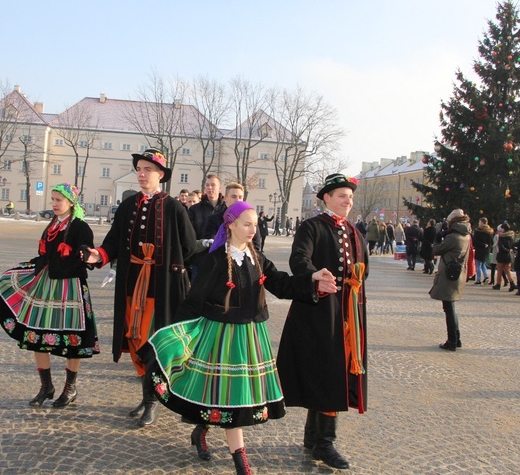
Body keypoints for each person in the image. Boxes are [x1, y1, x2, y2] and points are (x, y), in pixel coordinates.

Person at [138, 201, 337, 474]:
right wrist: (177, 336)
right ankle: (240, 460)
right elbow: (193, 301)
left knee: (225, 394)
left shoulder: (257, 256)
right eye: (247, 223)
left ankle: (201, 431)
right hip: (219, 336)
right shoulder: (215, 259)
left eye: (255, 224)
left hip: (250, 336)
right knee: (228, 397)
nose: (252, 229)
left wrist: (312, 279)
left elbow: (280, 283)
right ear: (230, 224)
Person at [82, 148, 197, 427]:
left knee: (151, 342)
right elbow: (111, 243)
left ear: (160, 175)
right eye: (139, 169)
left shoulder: (174, 207)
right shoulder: (127, 205)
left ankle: (150, 402)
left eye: (148, 169)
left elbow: (190, 247)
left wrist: (173, 267)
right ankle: (149, 395)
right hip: (132, 283)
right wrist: (98, 255)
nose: (142, 174)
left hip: (162, 287)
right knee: (134, 340)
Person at [276, 173, 368, 470]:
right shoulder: (312, 226)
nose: (347, 200)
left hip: (347, 316)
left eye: (350, 197)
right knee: (326, 373)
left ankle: (315, 436)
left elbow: (363, 267)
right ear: (326, 198)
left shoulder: (354, 230)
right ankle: (325, 441)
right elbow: (300, 260)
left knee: (333, 371)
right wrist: (315, 276)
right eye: (342, 195)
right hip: (318, 314)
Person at [0, 183, 99, 407]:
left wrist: (85, 253)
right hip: (46, 285)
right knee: (37, 335)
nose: (54, 204)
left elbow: (87, 251)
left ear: (71, 202)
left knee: (74, 339)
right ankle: (46, 387)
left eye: (58, 200)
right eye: (52, 199)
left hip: (70, 287)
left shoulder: (80, 226)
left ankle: (70, 389)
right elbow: (44, 253)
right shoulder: (52, 225)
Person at [429, 209, 471, 351]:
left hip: (449, 275)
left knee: (449, 308)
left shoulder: (453, 237)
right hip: (457, 273)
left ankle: (452, 340)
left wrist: (438, 236)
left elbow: (436, 250)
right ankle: (456, 338)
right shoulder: (466, 235)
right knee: (450, 307)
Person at [203, 182, 261, 252]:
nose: (237, 200)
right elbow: (210, 243)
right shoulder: (214, 219)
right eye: (233, 197)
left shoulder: (250, 218)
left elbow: (256, 245)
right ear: (225, 199)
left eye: (240, 197)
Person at [188, 173, 226, 279]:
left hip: (221, 261)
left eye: (213, 185)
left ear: (220, 188)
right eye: (207, 185)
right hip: (200, 261)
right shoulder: (194, 209)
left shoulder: (226, 210)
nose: (209, 188)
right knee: (197, 294)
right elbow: (189, 234)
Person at [492, 224, 516, 291]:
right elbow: (513, 245)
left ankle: (498, 284)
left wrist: (506, 250)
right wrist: (510, 250)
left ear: (504, 229)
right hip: (509, 255)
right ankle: (512, 283)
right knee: (507, 270)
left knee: (499, 270)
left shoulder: (501, 236)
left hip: (502, 255)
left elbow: (501, 246)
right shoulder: (512, 236)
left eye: (501, 228)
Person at [472, 217, 493, 285]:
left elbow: (475, 240)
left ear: (482, 222)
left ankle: (478, 280)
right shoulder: (489, 231)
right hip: (486, 250)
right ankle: (486, 276)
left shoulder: (478, 231)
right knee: (483, 264)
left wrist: (481, 244)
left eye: (479, 222)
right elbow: (491, 242)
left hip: (479, 249)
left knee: (478, 264)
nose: (479, 223)